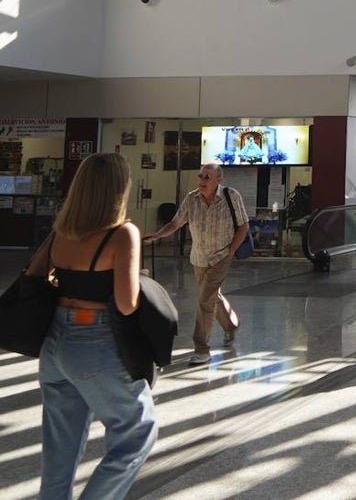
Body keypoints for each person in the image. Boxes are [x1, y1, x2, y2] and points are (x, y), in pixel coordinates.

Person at [30, 152, 157, 499]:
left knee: (60, 448)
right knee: (137, 432)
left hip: (54, 344)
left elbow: (34, 274)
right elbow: (127, 303)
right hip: (93, 340)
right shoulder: (122, 234)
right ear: (118, 189)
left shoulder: (62, 231)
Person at [144, 163, 249, 365]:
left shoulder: (231, 196)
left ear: (219, 179)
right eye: (200, 176)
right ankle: (230, 326)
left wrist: (230, 253)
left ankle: (202, 349)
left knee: (204, 300)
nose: (202, 180)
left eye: (207, 177)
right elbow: (176, 223)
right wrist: (157, 235)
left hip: (221, 256)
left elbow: (243, 226)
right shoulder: (192, 198)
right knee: (211, 297)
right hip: (199, 258)